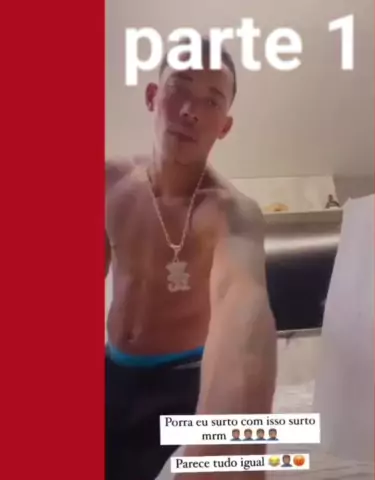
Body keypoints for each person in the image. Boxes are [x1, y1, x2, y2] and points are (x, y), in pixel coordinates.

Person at [105, 38, 277, 480]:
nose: (190, 110)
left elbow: (243, 309)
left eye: (212, 100)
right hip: (112, 370)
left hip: (182, 385)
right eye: (179, 87)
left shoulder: (232, 213)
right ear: (152, 96)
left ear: (224, 126)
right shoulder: (109, 185)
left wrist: (225, 443)